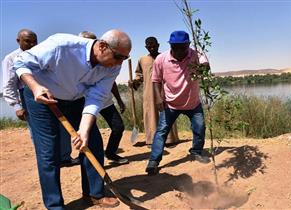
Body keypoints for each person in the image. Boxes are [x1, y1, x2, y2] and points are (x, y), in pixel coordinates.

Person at [14, 29, 131, 209]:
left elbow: (97, 96)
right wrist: (35, 87)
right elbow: (21, 62)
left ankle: (94, 193)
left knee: (92, 142)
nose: (119, 63)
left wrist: (83, 131)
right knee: (49, 152)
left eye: (124, 58)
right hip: (42, 97)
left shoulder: (114, 64)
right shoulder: (62, 46)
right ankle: (54, 205)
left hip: (76, 99)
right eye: (117, 57)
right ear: (102, 46)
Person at [2, 29, 79, 167]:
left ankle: (65, 158)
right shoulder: (10, 58)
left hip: (51, 93)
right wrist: (17, 106)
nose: (32, 44)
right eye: (27, 41)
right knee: (40, 132)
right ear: (18, 41)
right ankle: (49, 161)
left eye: (34, 41)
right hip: (29, 96)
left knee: (63, 126)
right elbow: (8, 84)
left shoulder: (42, 52)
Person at [145, 30, 211, 175]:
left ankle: (196, 151)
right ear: (171, 45)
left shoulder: (195, 54)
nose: (180, 50)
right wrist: (158, 98)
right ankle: (154, 161)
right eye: (176, 47)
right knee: (161, 131)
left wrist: (203, 65)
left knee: (200, 127)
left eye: (183, 47)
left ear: (188, 45)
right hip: (171, 104)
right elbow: (156, 80)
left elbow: (206, 68)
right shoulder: (161, 59)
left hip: (192, 103)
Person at [79, 31, 128, 164]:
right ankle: (90, 162)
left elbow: (111, 83)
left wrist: (119, 100)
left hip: (104, 101)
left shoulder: (109, 63)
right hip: (84, 104)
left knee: (118, 127)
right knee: (89, 134)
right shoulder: (76, 64)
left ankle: (111, 153)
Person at [129, 37, 179, 146]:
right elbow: (139, 76)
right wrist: (134, 82)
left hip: (166, 91)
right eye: (149, 46)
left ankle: (169, 139)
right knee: (151, 115)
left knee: (167, 114)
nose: (152, 48)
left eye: (154, 45)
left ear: (158, 45)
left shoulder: (165, 57)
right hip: (149, 93)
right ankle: (152, 140)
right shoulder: (142, 60)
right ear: (146, 47)